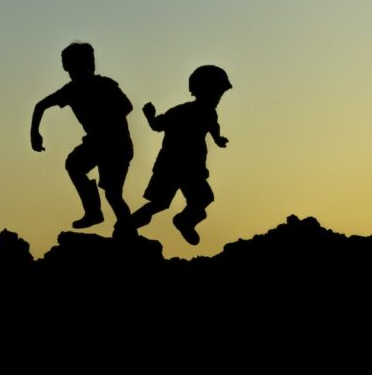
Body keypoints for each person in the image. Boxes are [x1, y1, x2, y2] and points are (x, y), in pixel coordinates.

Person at [31, 43, 134, 232]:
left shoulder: (105, 85)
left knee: (112, 194)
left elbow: (127, 106)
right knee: (74, 164)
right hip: (96, 143)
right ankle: (94, 211)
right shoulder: (71, 90)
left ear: (88, 65)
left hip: (117, 145)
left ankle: (128, 231)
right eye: (69, 68)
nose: (72, 72)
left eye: (75, 67)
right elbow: (41, 105)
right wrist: (34, 134)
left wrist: (103, 115)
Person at [128, 65, 232, 245]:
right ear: (200, 91)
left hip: (192, 169)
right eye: (216, 94)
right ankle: (127, 225)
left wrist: (217, 139)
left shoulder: (209, 113)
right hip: (170, 166)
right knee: (159, 203)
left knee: (203, 199)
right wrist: (150, 116)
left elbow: (213, 126)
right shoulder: (180, 112)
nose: (217, 99)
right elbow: (158, 126)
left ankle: (185, 221)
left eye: (219, 95)